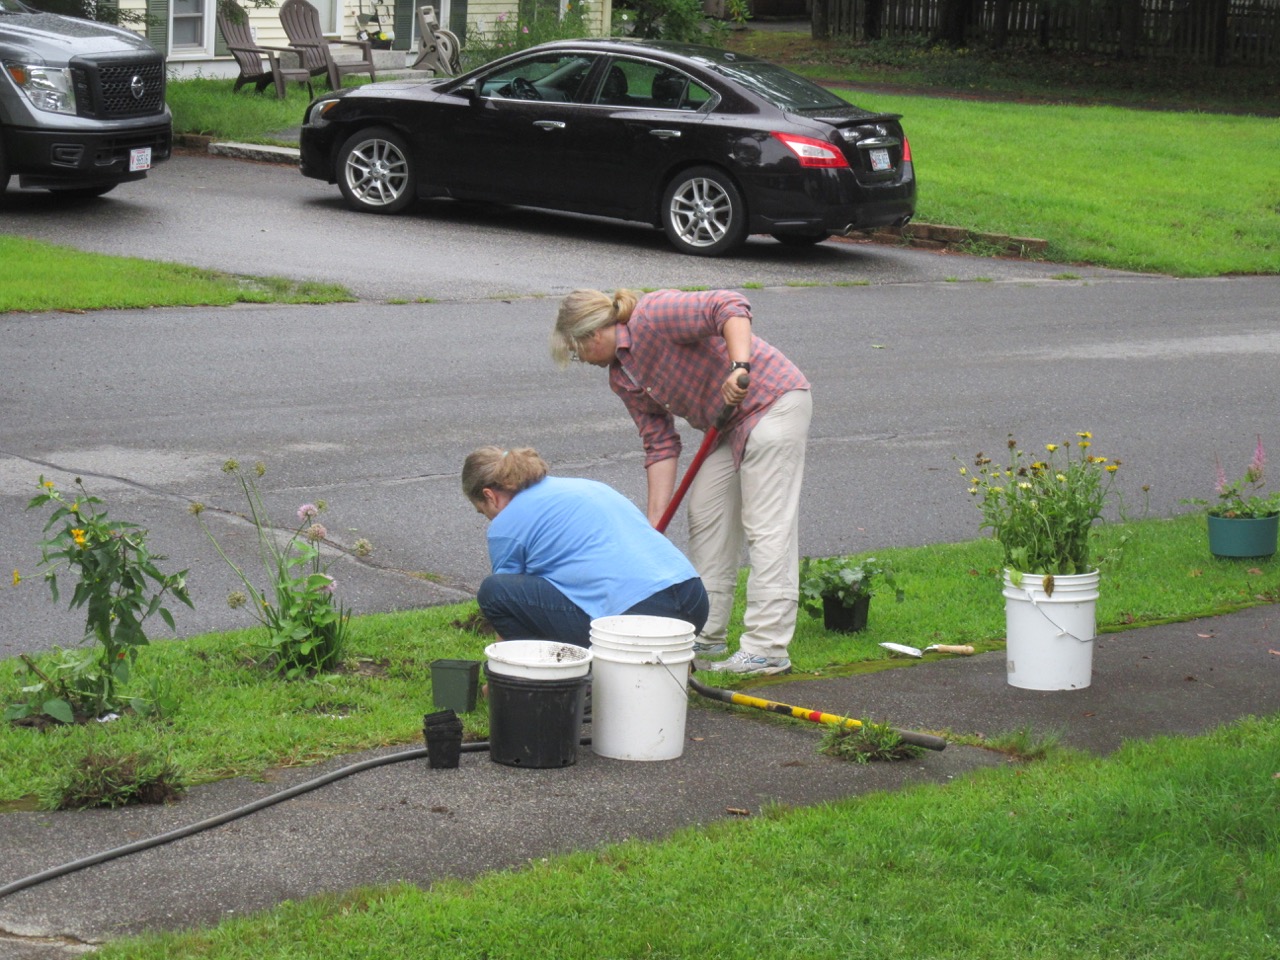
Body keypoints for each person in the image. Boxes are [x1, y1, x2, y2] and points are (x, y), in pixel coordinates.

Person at [551, 288, 811, 676]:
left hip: (772, 401)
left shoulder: (652, 316)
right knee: (705, 513)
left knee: (766, 526)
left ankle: (766, 649)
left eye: (575, 351)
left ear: (591, 335)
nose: (581, 360)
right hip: (727, 423)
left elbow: (729, 305)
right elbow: (659, 445)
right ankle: (706, 634)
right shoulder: (622, 378)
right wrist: (653, 529)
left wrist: (739, 365)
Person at [462, 446, 709, 648]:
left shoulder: (506, 523)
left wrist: (502, 671)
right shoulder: (585, 486)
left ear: (490, 496)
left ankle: (550, 678)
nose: (489, 518)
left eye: (482, 511)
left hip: (636, 617)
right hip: (692, 601)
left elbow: (511, 604)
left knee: (495, 592)